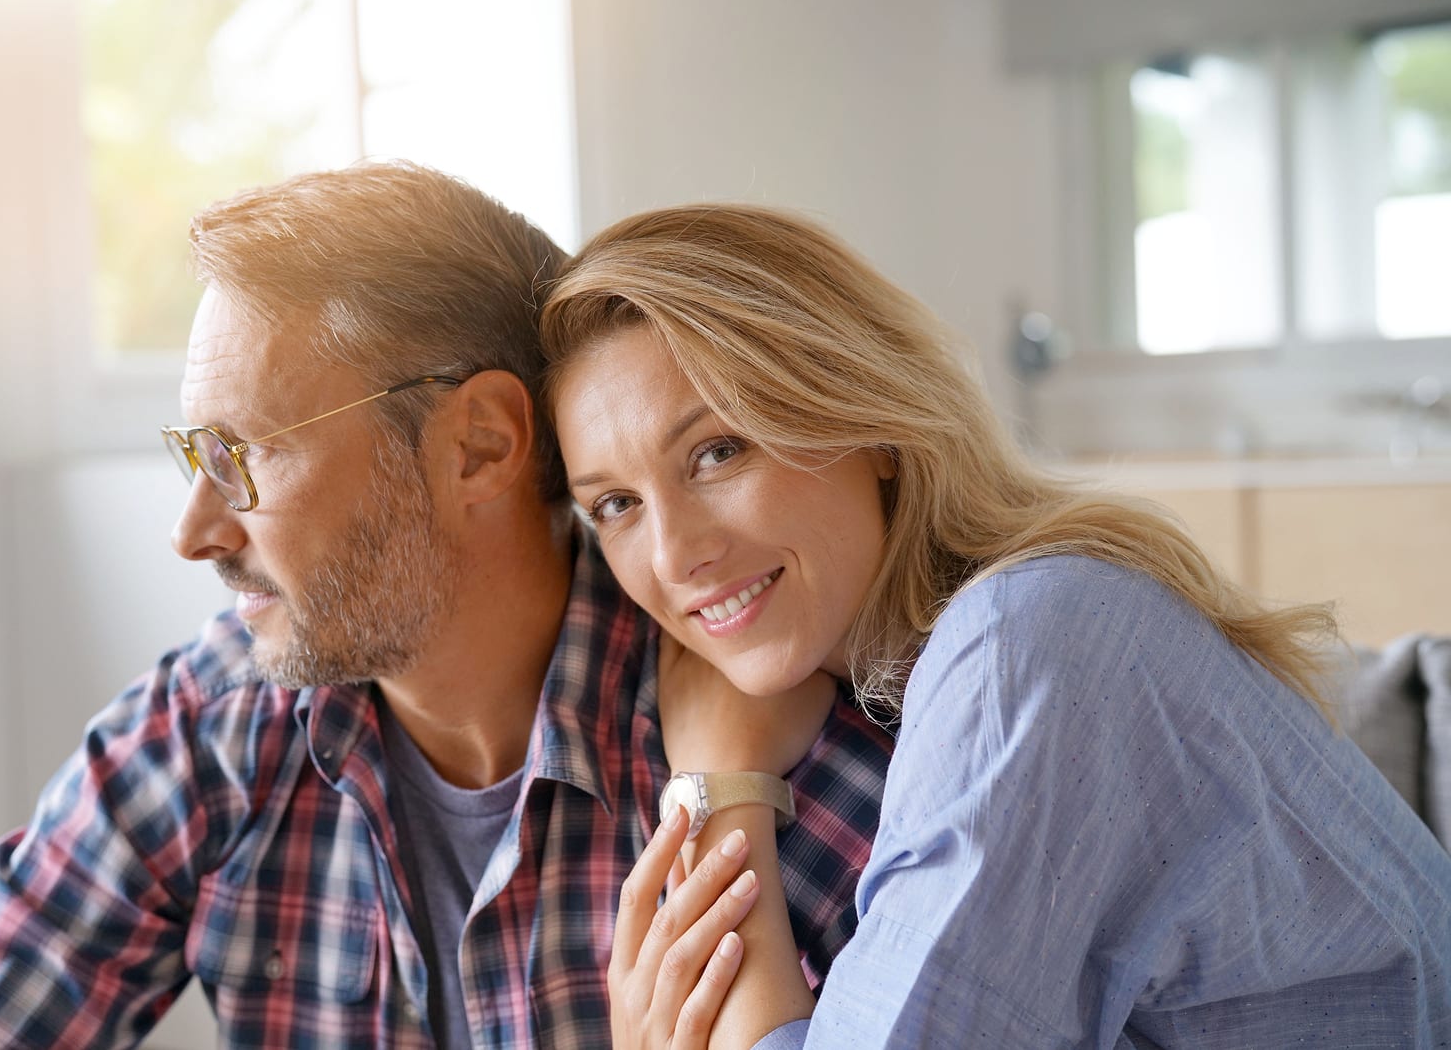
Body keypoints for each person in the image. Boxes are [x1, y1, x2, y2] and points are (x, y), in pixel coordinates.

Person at [0, 166, 895, 1049]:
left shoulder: (782, 760)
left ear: (479, 442)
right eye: (194, 457)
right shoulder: (211, 728)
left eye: (246, 453)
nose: (196, 531)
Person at [539, 202, 1451, 1048]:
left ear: (870, 420)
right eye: (615, 503)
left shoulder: (1022, 651)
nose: (671, 556)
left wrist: (724, 786)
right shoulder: (949, 664)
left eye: (717, 450)